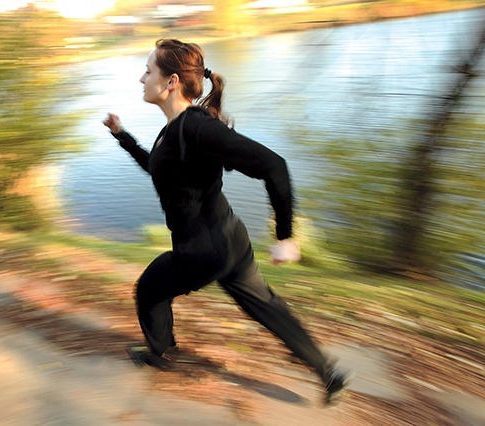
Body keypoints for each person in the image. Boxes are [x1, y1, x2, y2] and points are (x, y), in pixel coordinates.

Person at [103, 38, 351, 405]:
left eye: (148, 71)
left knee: (150, 289)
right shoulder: (176, 130)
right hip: (231, 240)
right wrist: (123, 137)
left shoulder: (198, 129)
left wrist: (285, 236)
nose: (142, 79)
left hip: (201, 251)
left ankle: (159, 353)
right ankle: (327, 372)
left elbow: (274, 166)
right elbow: (160, 169)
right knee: (265, 305)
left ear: (171, 81)